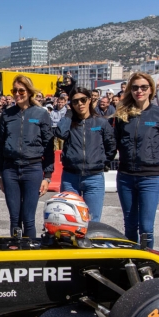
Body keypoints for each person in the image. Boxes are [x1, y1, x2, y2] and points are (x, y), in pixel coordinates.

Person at [113, 72, 159, 248]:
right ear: (130, 90)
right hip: (126, 176)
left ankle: (147, 263)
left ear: (151, 90)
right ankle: (131, 262)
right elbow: (115, 140)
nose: (139, 91)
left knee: (146, 227)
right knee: (130, 225)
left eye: (143, 87)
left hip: (150, 177)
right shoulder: (122, 115)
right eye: (135, 87)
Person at [0, 75, 54, 238]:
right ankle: (15, 253)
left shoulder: (41, 114)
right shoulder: (6, 115)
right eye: (14, 90)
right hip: (10, 170)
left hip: (32, 169)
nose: (17, 93)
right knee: (15, 219)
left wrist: (47, 176)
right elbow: (0, 147)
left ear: (29, 92)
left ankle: (31, 255)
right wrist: (0, 174)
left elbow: (49, 146)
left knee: (28, 219)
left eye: (21, 90)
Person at [55, 87, 116, 222]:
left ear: (89, 100)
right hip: (70, 177)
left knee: (93, 221)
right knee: (69, 221)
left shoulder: (100, 122)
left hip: (94, 177)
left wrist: (101, 162)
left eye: (83, 100)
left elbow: (111, 147)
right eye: (75, 101)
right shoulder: (69, 122)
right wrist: (69, 115)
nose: (80, 104)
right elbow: (60, 133)